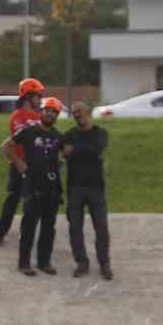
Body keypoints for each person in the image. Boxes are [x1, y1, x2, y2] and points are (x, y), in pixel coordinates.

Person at [12, 97, 65, 277]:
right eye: (47, 110)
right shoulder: (29, 132)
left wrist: (59, 164)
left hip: (52, 187)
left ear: (57, 116)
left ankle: (44, 262)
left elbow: (60, 159)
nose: (50, 114)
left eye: (54, 112)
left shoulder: (58, 136)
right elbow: (6, 147)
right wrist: (18, 162)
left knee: (49, 227)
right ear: (41, 111)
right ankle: (24, 263)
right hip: (33, 186)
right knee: (29, 225)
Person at [62, 101, 113, 280]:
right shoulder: (69, 134)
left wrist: (74, 150)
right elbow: (60, 152)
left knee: (101, 226)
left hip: (95, 188)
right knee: (75, 227)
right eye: (74, 112)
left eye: (80, 111)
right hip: (75, 187)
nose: (77, 114)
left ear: (88, 111)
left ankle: (104, 263)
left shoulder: (100, 133)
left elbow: (96, 150)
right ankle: (81, 262)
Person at [0, 78, 45, 247]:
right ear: (28, 96)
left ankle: (27, 234)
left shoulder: (39, 116)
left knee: (32, 202)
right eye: (38, 96)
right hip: (19, 164)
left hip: (36, 165)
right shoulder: (17, 116)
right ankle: (1, 231)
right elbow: (21, 139)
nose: (40, 99)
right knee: (13, 199)